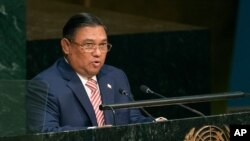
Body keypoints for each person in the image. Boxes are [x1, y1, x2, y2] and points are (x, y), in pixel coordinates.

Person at [26, 12, 166, 133]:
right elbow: (45, 133)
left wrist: (155, 124)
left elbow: (132, 119)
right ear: (66, 46)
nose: (98, 53)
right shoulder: (44, 85)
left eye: (103, 45)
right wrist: (94, 134)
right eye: (89, 45)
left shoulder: (116, 76)